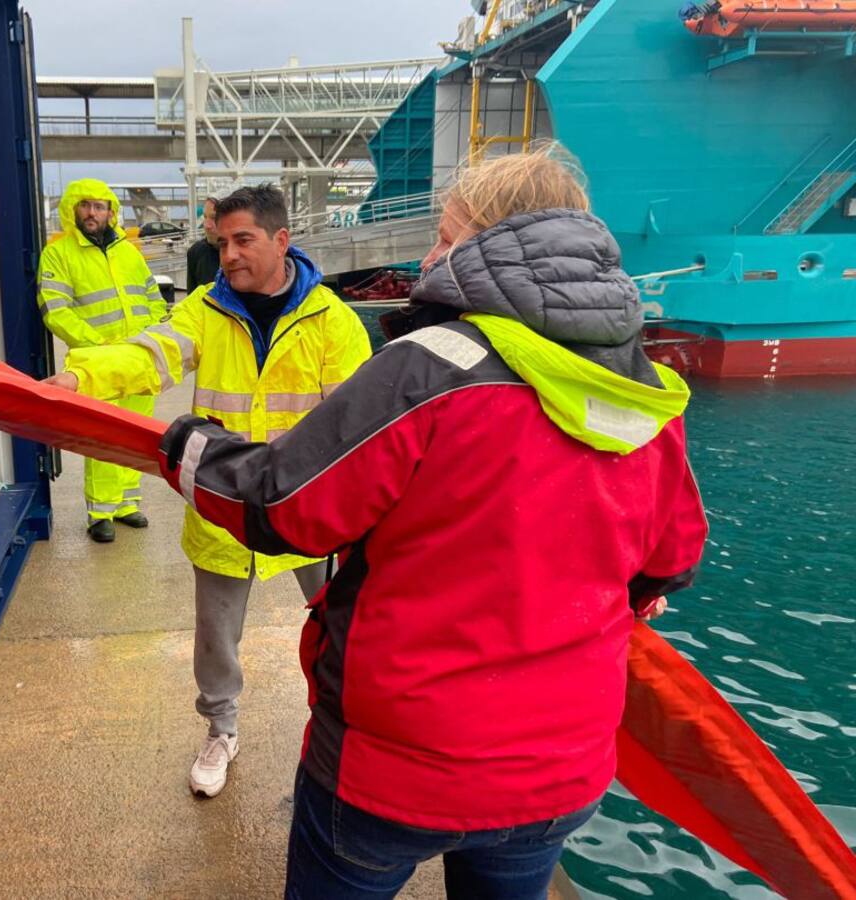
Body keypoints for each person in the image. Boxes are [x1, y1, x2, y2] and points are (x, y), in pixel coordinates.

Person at [155, 147, 708, 898]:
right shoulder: (645, 393)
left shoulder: (429, 369)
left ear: (489, 246)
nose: (428, 255)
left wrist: (192, 449)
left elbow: (283, 507)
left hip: (397, 767)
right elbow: (669, 561)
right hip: (557, 775)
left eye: (446, 237)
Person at [48, 184, 371, 798]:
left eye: (243, 240)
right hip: (224, 503)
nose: (227, 255)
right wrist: (80, 378)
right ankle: (221, 730)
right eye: (221, 242)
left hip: (307, 508)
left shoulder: (334, 322)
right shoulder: (204, 309)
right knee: (216, 634)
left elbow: (355, 423)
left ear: (281, 241)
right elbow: (152, 353)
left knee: (342, 629)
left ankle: (341, 729)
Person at [38, 179, 166, 544]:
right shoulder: (59, 254)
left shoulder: (129, 252)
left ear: (111, 211)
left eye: (99, 206)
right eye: (85, 206)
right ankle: (101, 512)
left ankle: (127, 504)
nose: (92, 213)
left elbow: (153, 297)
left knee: (137, 430)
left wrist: (152, 335)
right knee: (104, 436)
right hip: (96, 363)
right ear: (72, 210)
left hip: (139, 357)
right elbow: (56, 311)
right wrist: (100, 346)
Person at [186, 196, 221, 293]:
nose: (206, 225)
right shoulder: (195, 252)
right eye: (205, 217)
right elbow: (191, 301)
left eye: (214, 218)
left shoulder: (246, 254)